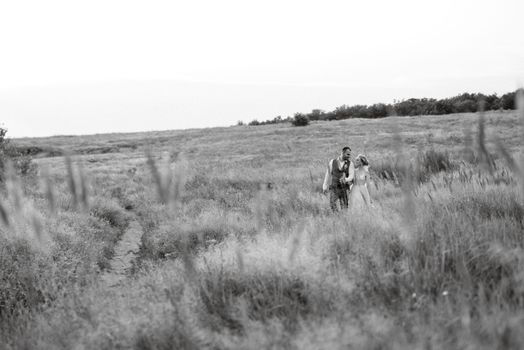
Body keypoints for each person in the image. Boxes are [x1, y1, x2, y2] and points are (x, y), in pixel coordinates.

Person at [322, 146, 355, 212]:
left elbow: (351, 176)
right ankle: (337, 216)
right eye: (348, 154)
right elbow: (328, 174)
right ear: (342, 152)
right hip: (334, 187)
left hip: (344, 188)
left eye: (350, 154)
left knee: (344, 206)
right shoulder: (332, 162)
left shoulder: (350, 164)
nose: (349, 156)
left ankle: (344, 218)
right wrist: (324, 186)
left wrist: (345, 179)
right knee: (332, 204)